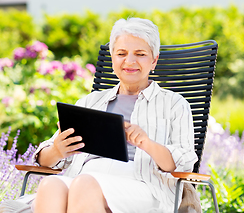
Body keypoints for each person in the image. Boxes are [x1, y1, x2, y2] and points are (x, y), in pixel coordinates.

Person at [32, 18, 198, 213]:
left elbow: (184, 162)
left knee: (85, 185)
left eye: (140, 54)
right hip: (86, 176)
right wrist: (58, 151)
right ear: (112, 58)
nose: (129, 61)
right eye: (121, 53)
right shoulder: (90, 102)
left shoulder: (174, 105)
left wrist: (147, 143)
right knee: (50, 186)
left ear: (154, 60)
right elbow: (44, 159)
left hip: (145, 185)